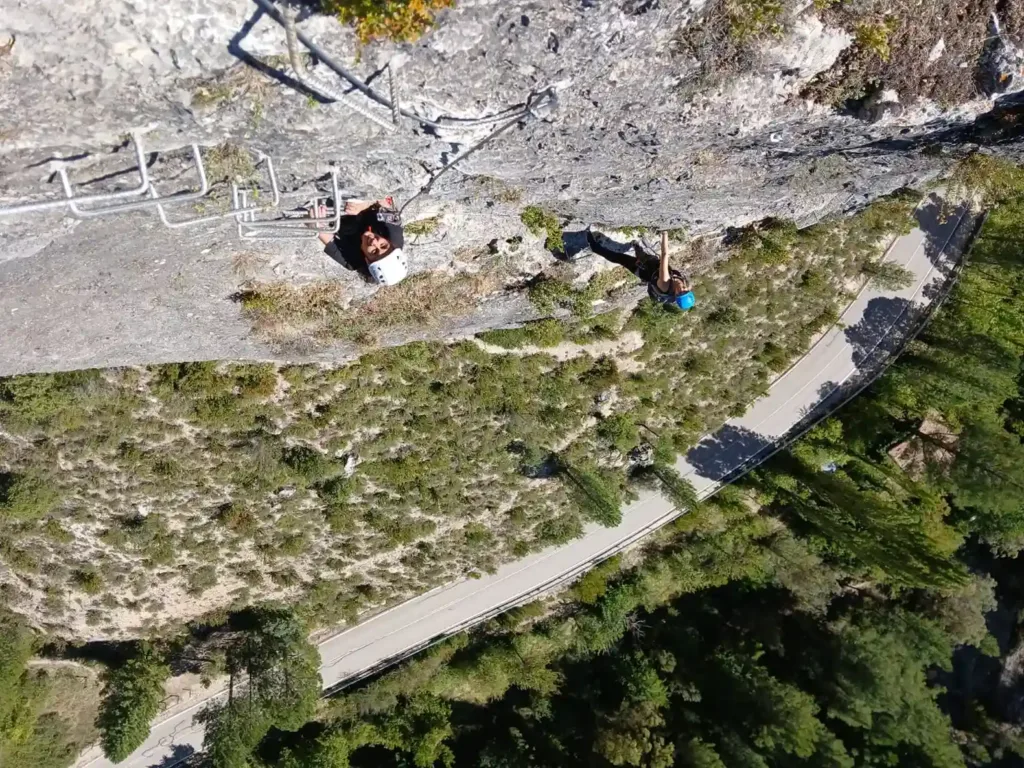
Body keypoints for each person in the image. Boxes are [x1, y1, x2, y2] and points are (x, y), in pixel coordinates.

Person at [587, 228, 696, 310]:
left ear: (675, 295)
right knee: (643, 255)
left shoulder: (665, 284)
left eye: (680, 293)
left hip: (643, 270)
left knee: (619, 258)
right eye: (685, 291)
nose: (682, 289)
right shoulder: (685, 283)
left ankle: (593, 246)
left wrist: (664, 233)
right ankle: (635, 246)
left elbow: (665, 255)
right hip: (653, 265)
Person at [312, 198, 407, 286]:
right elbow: (384, 199)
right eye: (383, 245)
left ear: (367, 260)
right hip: (370, 210)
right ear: (391, 244)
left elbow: (318, 229)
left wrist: (316, 219)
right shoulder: (394, 237)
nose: (374, 242)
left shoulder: (352, 261)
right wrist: (366, 203)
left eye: (374, 251)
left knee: (349, 227)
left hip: (348, 223)